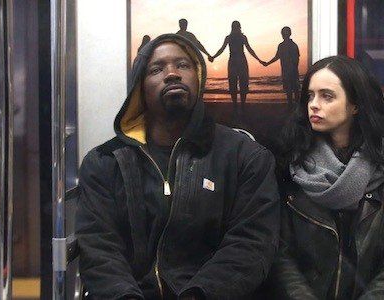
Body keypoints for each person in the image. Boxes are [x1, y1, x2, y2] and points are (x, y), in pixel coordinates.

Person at [75, 33, 280, 299]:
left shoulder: (246, 157)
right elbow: (99, 247)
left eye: (182, 65)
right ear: (140, 89)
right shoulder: (104, 162)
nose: (171, 74)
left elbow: (251, 244)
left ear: (199, 78)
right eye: (157, 69)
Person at [269, 55, 384, 299]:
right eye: (310, 95)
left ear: (355, 105)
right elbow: (281, 256)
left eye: (327, 96)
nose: (314, 105)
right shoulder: (290, 169)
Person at [211, 21, 263, 107]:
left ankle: (240, 104)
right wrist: (214, 56)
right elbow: (222, 49)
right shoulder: (233, 37)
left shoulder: (238, 37)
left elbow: (249, 49)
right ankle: (238, 104)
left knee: (240, 83)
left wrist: (259, 59)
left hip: (237, 61)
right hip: (236, 61)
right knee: (236, 83)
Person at [261, 26, 300, 107]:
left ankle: (295, 107)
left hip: (290, 71)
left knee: (293, 90)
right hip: (288, 71)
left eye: (284, 33)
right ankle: (292, 107)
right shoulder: (286, 45)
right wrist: (268, 63)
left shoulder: (291, 45)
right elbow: (277, 57)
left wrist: (267, 63)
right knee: (291, 90)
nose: (283, 35)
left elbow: (296, 59)